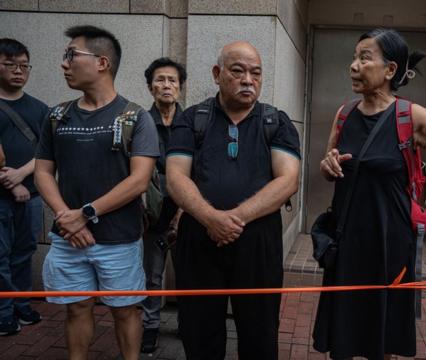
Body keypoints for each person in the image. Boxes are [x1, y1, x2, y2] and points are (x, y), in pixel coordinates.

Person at [312, 28, 426, 359]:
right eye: (354, 57)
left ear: (390, 70)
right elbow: (328, 166)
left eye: (365, 58)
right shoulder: (344, 114)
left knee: (381, 331)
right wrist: (329, 166)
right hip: (347, 237)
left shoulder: (409, 116)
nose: (354, 65)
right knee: (344, 328)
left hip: (389, 241)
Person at [165, 41, 301, 359]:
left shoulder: (275, 122)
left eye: (256, 73)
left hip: (258, 243)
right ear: (217, 73)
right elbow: (175, 177)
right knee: (199, 332)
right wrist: (211, 219)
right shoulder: (192, 119)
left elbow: (288, 180)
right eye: (238, 71)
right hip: (199, 239)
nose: (248, 80)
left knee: (260, 332)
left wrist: (233, 218)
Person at [34, 25, 159, 360]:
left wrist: (85, 214)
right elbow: (43, 170)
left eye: (72, 54)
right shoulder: (57, 115)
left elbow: (138, 181)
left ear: (102, 62)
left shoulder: (135, 116)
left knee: (126, 310)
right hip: (68, 237)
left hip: (119, 238)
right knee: (77, 309)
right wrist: (66, 218)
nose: (64, 63)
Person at [0, 38, 48, 336]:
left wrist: (20, 176)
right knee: (0, 255)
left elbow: (47, 153)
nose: (19, 71)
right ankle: (3, 312)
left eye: (24, 65)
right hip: (1, 197)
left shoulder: (40, 108)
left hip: (30, 194)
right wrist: (8, 180)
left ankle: (20, 303)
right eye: (10, 65)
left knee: (24, 251)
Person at [140, 57, 186, 354]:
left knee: (189, 273)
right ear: (150, 86)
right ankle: (150, 327)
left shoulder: (191, 122)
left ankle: (188, 323)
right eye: (160, 80)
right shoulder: (141, 123)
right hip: (153, 215)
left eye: (172, 80)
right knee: (152, 277)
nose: (166, 85)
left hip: (187, 214)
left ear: (180, 88)